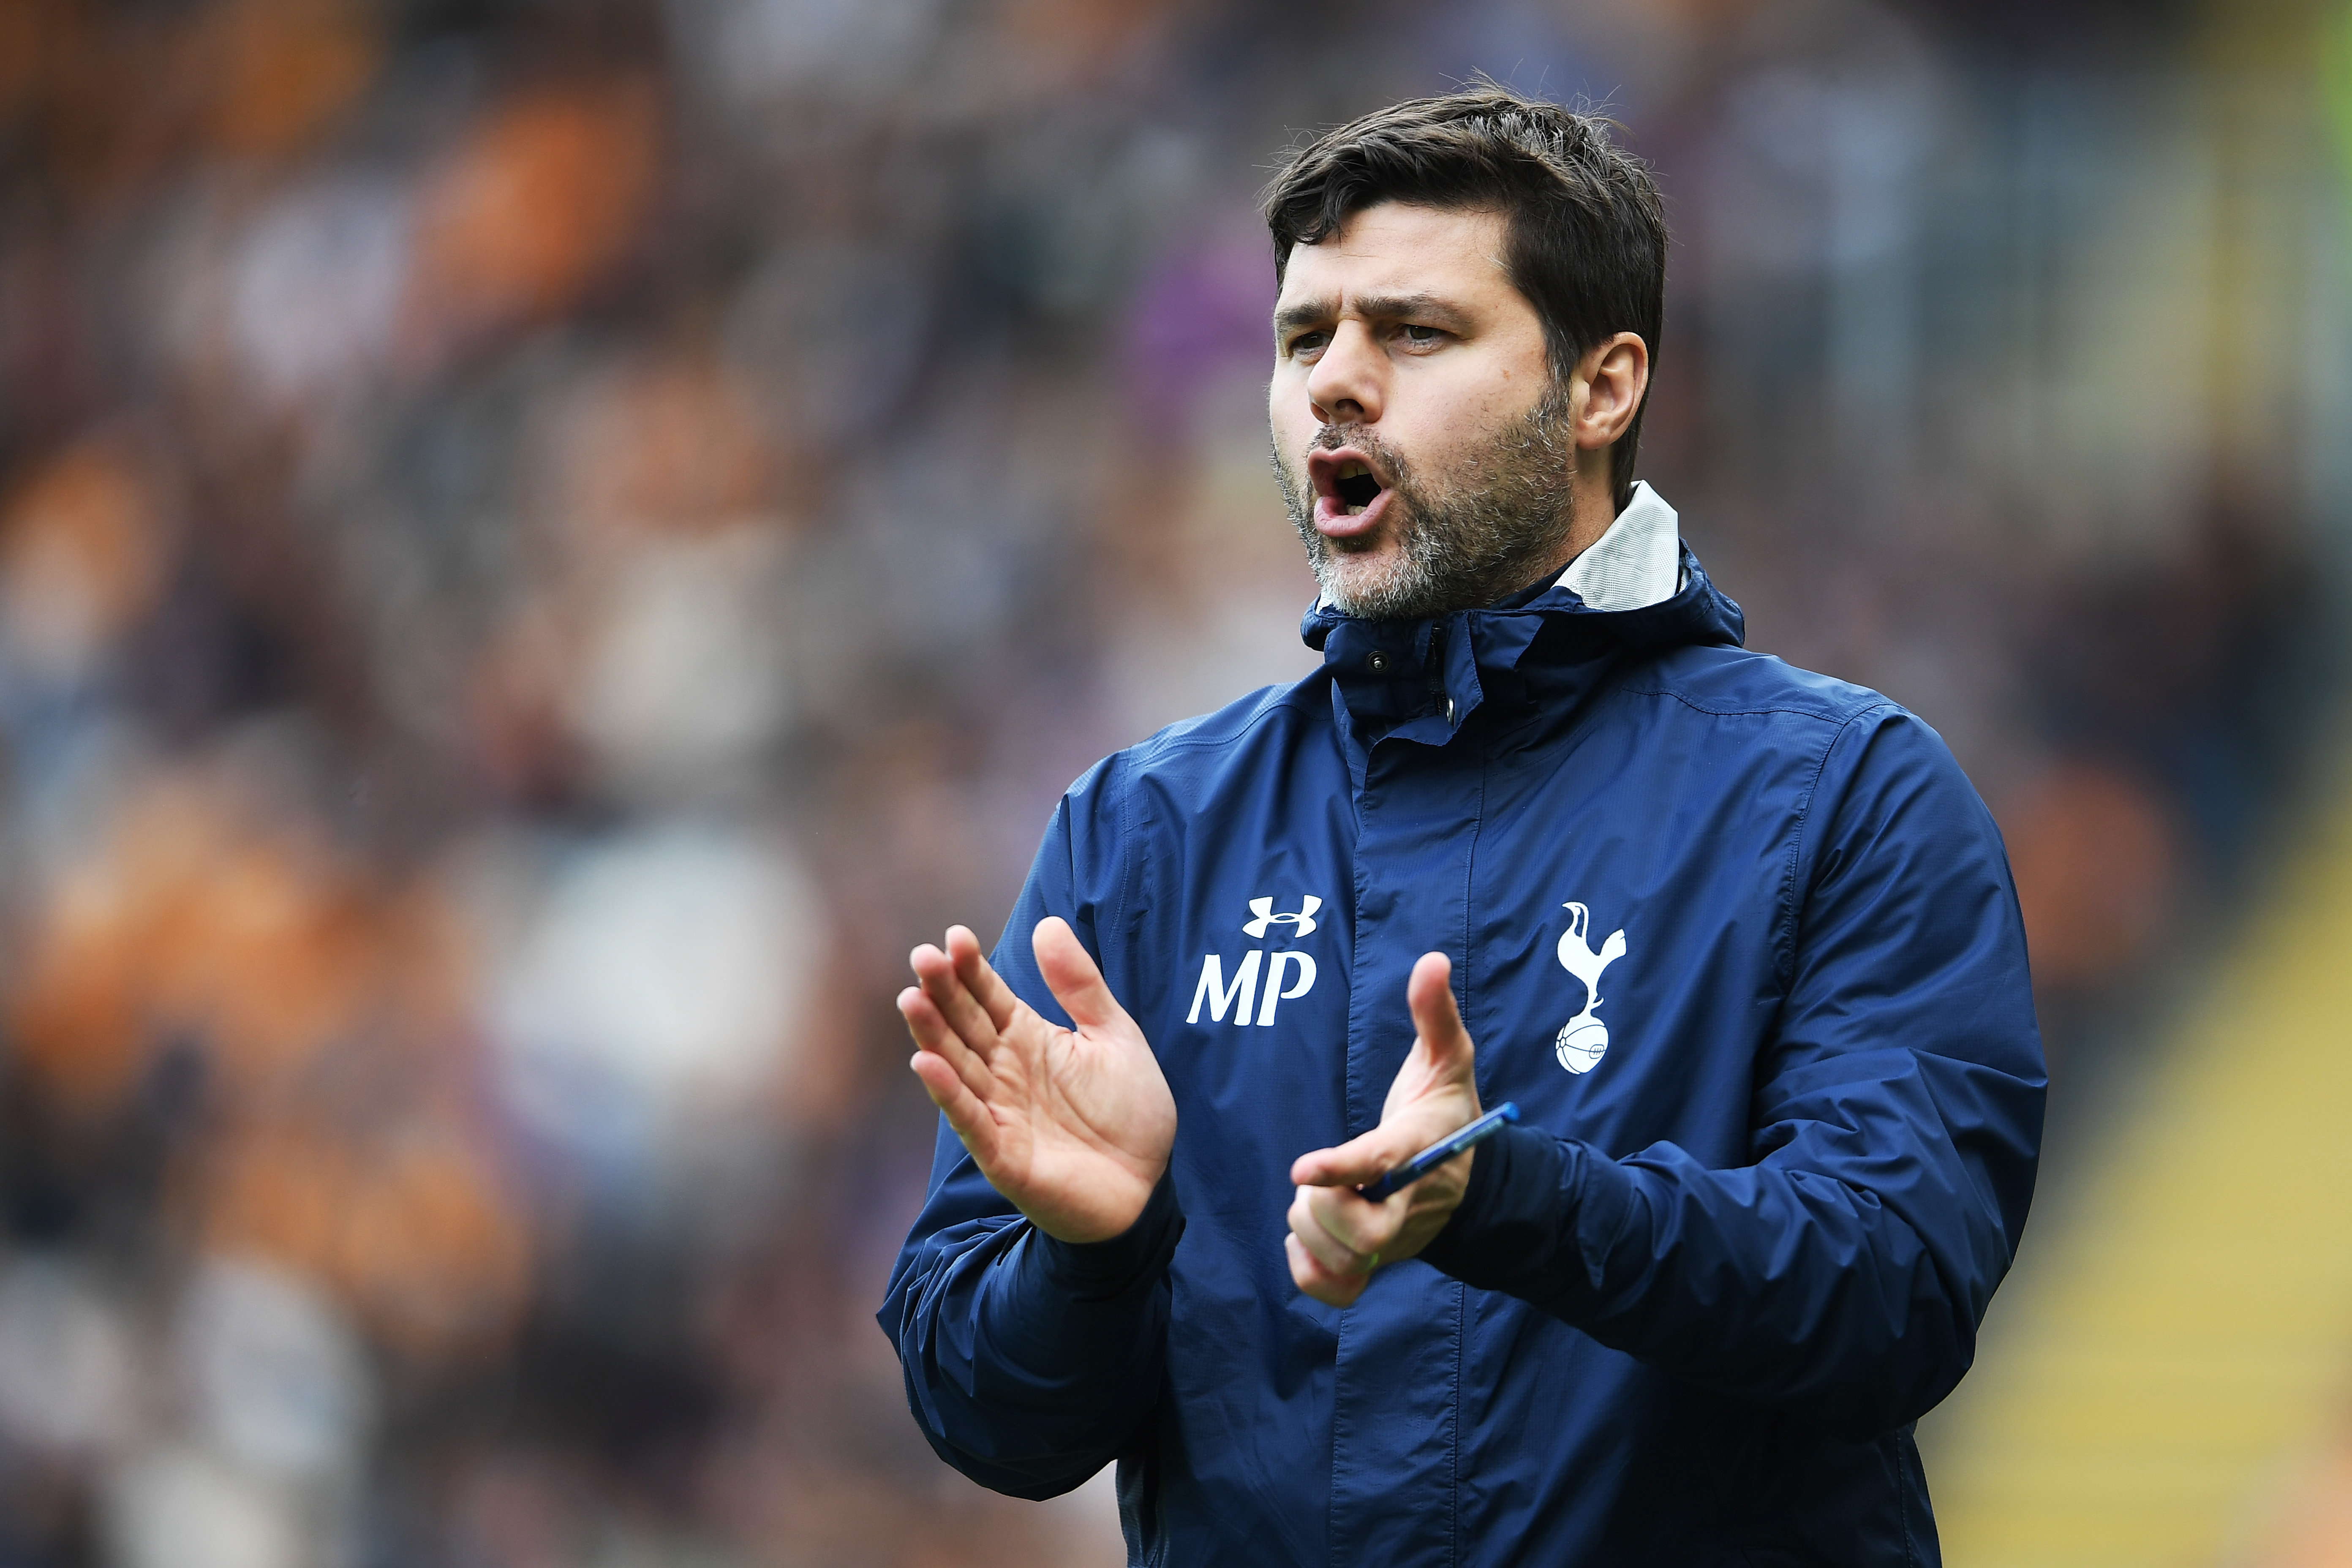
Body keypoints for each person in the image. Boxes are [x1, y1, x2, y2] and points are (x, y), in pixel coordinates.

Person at [879, 85, 2043, 1565]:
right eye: (1305, 339)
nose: (1335, 387)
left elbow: (1894, 1296)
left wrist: (1505, 1198)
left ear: (1601, 386)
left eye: (1414, 333)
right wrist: (1093, 1256)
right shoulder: (1145, 831)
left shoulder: (1847, 794)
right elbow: (992, 1420)